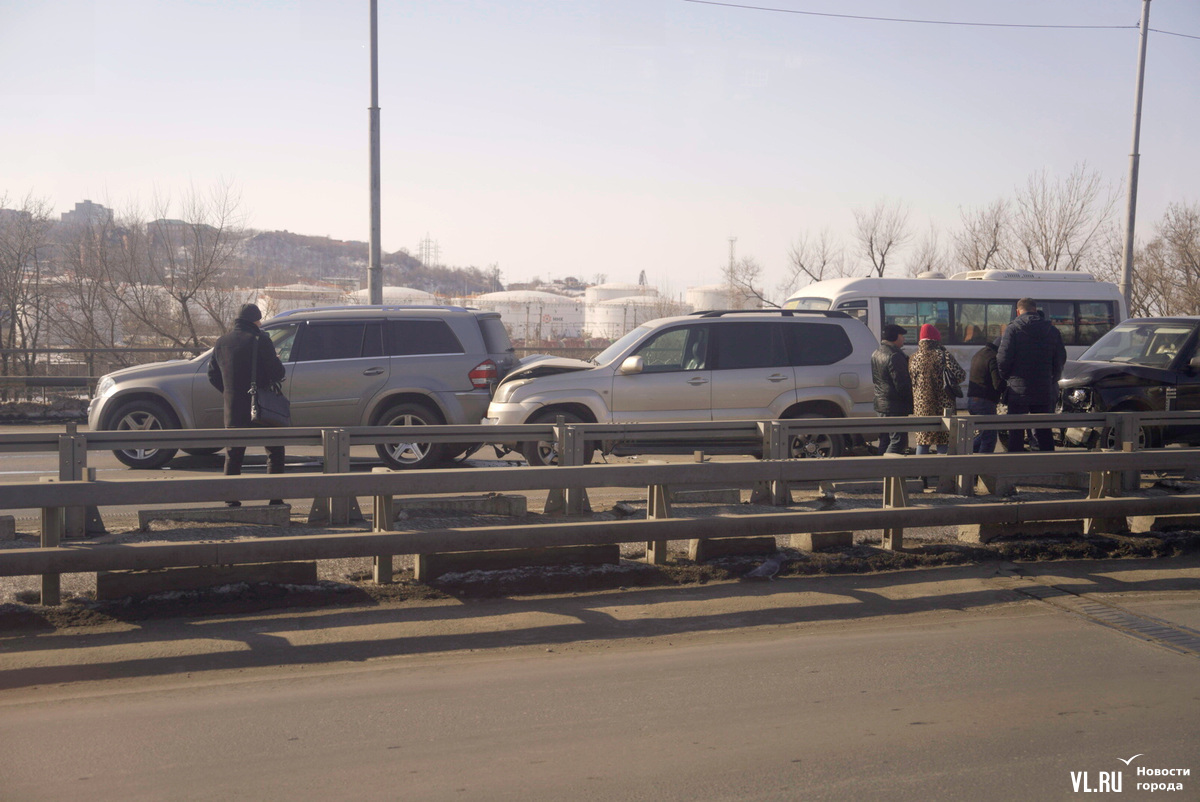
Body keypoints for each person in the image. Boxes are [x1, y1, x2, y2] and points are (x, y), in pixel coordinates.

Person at [207, 303, 287, 506]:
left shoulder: (221, 342)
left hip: (233, 407)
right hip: (261, 407)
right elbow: (278, 373)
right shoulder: (261, 340)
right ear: (255, 320)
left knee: (233, 454)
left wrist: (228, 392)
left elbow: (212, 374)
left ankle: (231, 500)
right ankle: (275, 499)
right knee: (275, 452)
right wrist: (276, 360)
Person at [997, 297, 1066, 453]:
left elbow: (1003, 358)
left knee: (1016, 429)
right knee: (1043, 429)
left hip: (1018, 388)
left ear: (1018, 311)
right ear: (1035, 309)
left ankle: (1016, 465)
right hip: (1043, 387)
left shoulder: (1013, 329)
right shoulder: (1052, 330)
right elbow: (1060, 358)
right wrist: (1052, 378)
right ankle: (1047, 464)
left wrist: (1008, 378)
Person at [908, 324, 966, 487]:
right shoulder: (943, 355)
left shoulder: (913, 358)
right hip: (943, 406)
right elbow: (960, 375)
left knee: (922, 442)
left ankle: (920, 479)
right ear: (936, 339)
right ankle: (943, 480)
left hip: (922, 408)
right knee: (942, 442)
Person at [870, 323, 913, 455]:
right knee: (897, 441)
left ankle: (880, 470)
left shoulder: (876, 353)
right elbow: (902, 384)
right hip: (894, 406)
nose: (903, 339)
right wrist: (912, 401)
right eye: (901, 336)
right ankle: (887, 469)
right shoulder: (894, 356)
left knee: (885, 439)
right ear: (895, 337)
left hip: (881, 404)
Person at [967, 338, 1006, 453]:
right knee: (989, 437)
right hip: (985, 402)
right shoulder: (993, 357)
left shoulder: (980, 353)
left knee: (983, 435)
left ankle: (968, 457)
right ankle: (982, 467)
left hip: (972, 401)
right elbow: (997, 384)